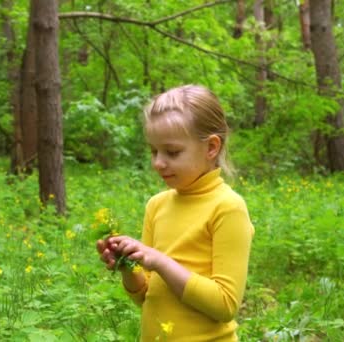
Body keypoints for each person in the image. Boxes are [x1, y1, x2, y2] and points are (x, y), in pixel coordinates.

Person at [96, 84, 255, 341]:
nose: (158, 162)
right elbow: (146, 296)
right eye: (154, 151)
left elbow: (225, 304)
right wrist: (128, 266)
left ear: (211, 147)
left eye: (172, 152)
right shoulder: (157, 205)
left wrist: (159, 261)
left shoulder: (227, 207)